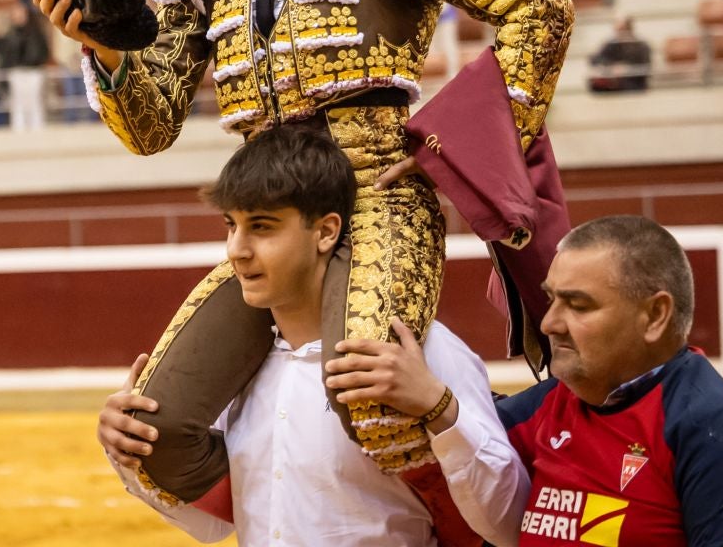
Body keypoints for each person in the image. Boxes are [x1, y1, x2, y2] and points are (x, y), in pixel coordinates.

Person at [34, 0, 571, 531]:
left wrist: (454, 151)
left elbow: (540, 7)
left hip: (377, 201)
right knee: (152, 432)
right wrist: (103, 47)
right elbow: (151, 130)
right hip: (268, 222)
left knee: (380, 404)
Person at [99, 125, 525, 546]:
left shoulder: (419, 351)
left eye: (262, 227)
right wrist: (126, 451)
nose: (236, 250)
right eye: (232, 226)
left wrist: (440, 407)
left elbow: (507, 523)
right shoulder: (239, 373)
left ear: (325, 232)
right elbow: (216, 526)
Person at [499, 216, 723, 544]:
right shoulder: (547, 406)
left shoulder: (714, 429)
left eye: (578, 305)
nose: (549, 324)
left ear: (655, 316)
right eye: (551, 300)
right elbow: (462, 423)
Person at [0, 0, 53, 132]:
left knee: (35, 101)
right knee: (18, 103)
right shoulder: (10, 34)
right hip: (17, 71)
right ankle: (19, 129)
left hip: (34, 70)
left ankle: (37, 128)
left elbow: (42, 49)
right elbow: (6, 54)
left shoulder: (35, 31)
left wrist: (38, 62)